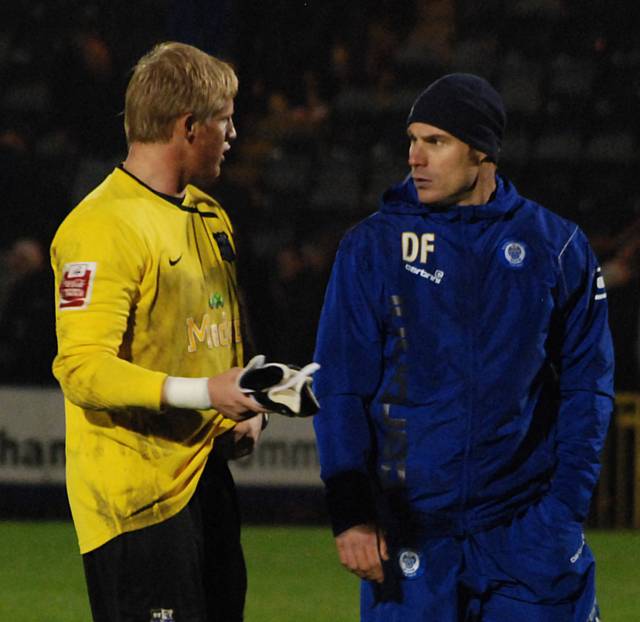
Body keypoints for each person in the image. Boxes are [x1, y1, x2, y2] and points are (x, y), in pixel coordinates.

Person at [312, 73, 614, 621]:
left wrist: (565, 511)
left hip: (527, 535)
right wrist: (351, 510)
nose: (415, 157)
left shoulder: (557, 246)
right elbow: (339, 386)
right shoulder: (372, 247)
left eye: (436, 141)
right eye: (412, 139)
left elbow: (587, 387)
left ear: (482, 152)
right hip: (412, 537)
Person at [50, 42, 267, 622]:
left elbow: (220, 337)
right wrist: (204, 394)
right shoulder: (102, 227)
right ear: (189, 126)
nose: (234, 133)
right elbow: (82, 368)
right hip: (137, 502)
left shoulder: (209, 215)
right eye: (225, 119)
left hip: (207, 481)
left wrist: (245, 407)